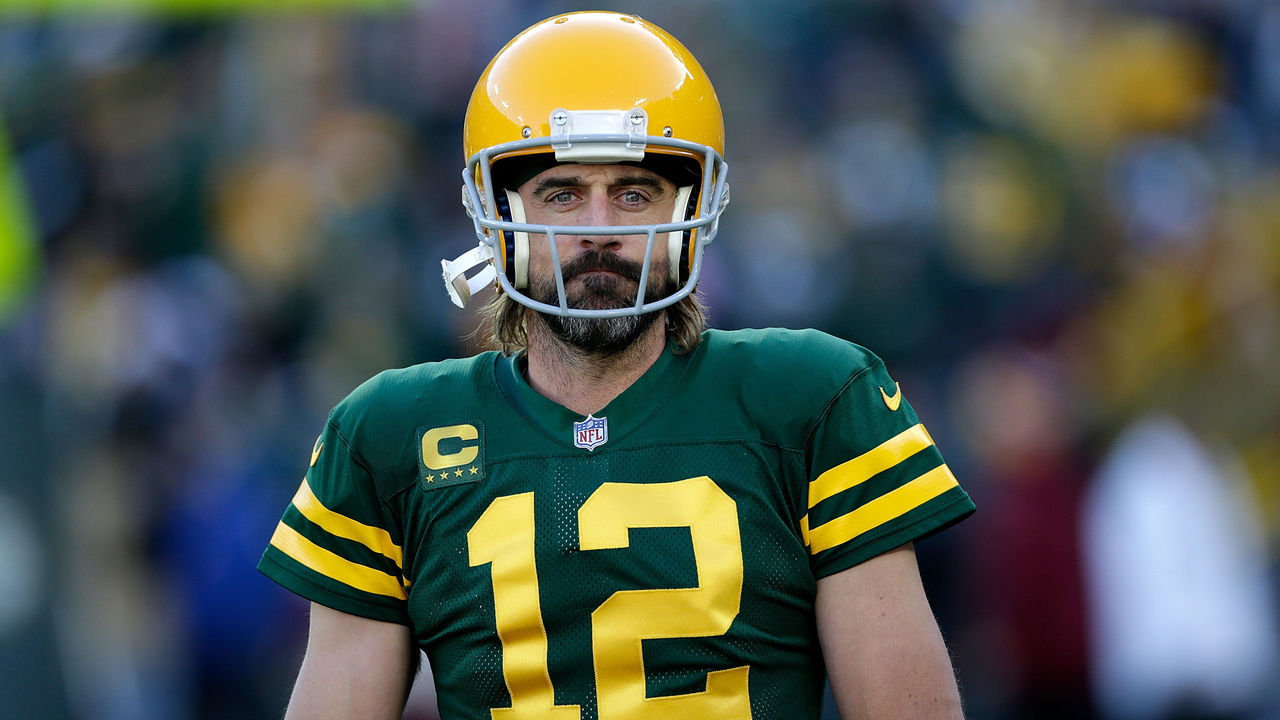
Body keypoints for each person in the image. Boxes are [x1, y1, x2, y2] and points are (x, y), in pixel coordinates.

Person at [258, 11, 975, 720]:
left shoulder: (811, 398)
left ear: (695, 206)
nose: (598, 230)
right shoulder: (386, 435)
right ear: (494, 215)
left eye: (634, 195)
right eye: (561, 195)